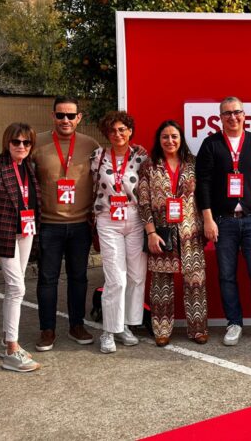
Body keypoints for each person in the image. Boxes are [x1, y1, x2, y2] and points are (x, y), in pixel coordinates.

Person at [195, 96, 251, 347]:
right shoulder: (210, 144)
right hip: (223, 221)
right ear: (220, 118)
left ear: (244, 115)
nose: (232, 117)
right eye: (227, 113)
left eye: (237, 112)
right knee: (227, 275)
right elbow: (204, 184)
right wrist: (208, 219)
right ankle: (234, 323)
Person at [32, 96, 99, 351]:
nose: (66, 120)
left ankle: (76, 325)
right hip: (48, 225)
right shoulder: (36, 142)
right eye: (60, 115)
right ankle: (47, 329)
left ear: (79, 118)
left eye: (71, 116)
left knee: (79, 278)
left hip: (81, 224)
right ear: (53, 116)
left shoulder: (90, 145)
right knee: (47, 280)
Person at [139, 120, 208, 346]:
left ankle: (198, 330)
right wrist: (150, 232)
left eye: (174, 136)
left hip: (190, 232)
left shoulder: (193, 164)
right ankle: (162, 330)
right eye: (165, 137)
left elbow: (203, 197)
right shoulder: (149, 166)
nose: (170, 141)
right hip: (161, 232)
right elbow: (144, 201)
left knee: (195, 282)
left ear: (181, 139)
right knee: (161, 283)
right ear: (159, 140)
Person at [0, 123, 42, 372]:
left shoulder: (29, 167)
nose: (21, 146)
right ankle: (11, 350)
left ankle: (7, 340)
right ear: (7, 142)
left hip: (25, 231)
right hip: (4, 233)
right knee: (17, 286)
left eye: (26, 142)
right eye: (16, 142)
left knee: (13, 288)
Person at [90, 111, 147, 354]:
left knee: (136, 276)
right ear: (107, 133)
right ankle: (108, 332)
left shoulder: (141, 157)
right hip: (107, 218)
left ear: (130, 131)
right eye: (113, 130)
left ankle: (124, 325)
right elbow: (89, 186)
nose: (117, 134)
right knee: (116, 278)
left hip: (135, 218)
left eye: (122, 129)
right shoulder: (98, 156)